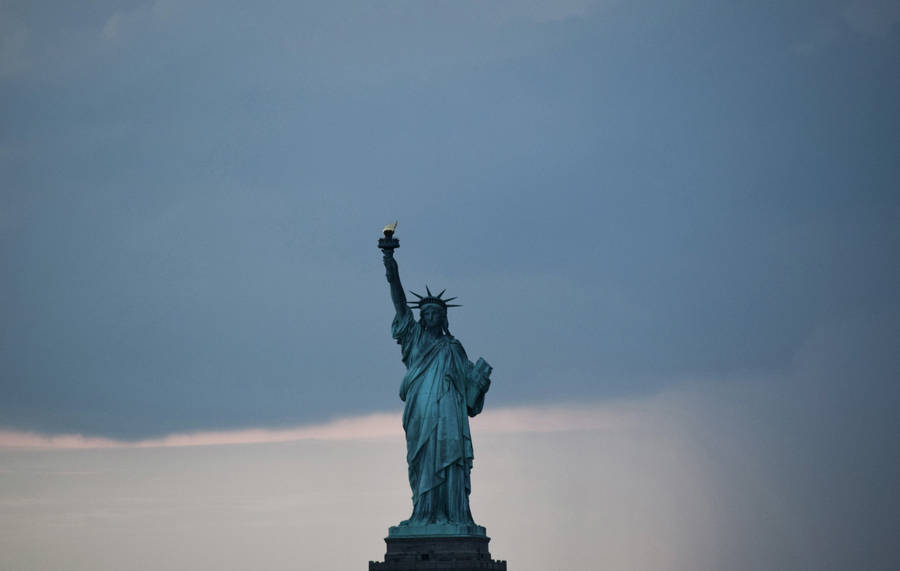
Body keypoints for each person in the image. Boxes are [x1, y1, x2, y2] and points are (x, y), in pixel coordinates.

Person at [383, 248, 492, 531]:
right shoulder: (414, 338)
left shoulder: (453, 347)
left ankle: (452, 515)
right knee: (421, 460)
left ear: (443, 318)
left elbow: (470, 390)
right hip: (420, 409)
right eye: (426, 312)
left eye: (435, 313)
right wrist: (390, 265)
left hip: (448, 415)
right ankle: (423, 511)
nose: (430, 316)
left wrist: (480, 382)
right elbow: (400, 304)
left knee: (449, 459)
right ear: (420, 318)